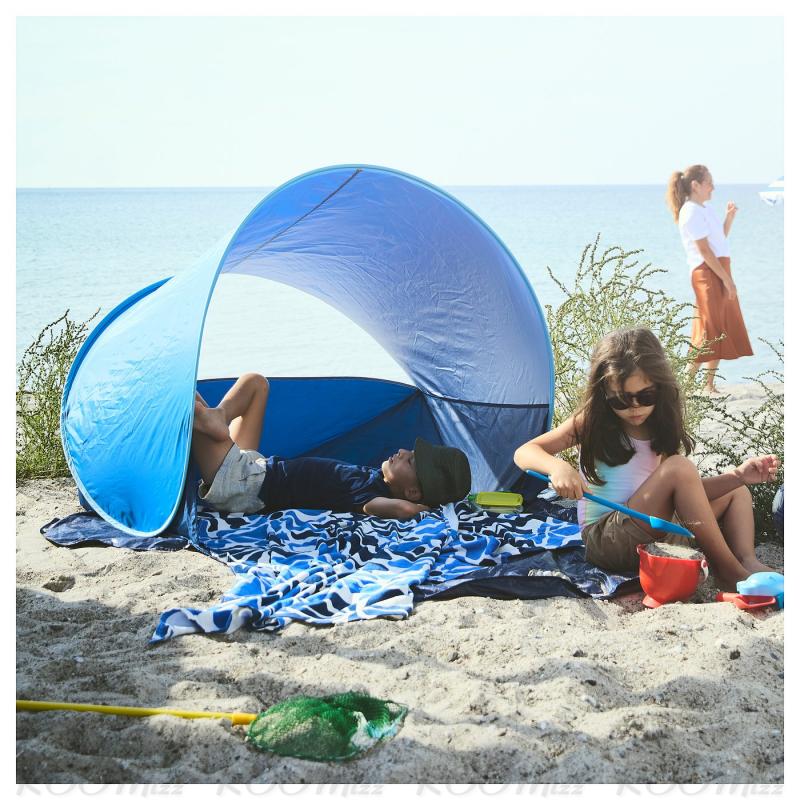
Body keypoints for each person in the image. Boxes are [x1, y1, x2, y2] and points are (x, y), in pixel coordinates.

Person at [513, 328, 779, 591]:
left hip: (657, 529)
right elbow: (524, 452)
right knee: (679, 468)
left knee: (736, 490)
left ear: (660, 388)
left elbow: (687, 492)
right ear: (604, 394)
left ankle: (746, 560)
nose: (635, 407)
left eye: (645, 396)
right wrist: (558, 467)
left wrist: (739, 476)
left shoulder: (659, 426)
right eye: (621, 400)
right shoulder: (592, 422)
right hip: (608, 539)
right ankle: (729, 571)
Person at [191, 372, 471, 520]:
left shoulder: (367, 496)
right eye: (410, 451)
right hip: (256, 467)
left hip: (244, 486)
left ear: (412, 492)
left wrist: (426, 510)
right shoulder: (373, 478)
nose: (403, 452)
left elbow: (403, 510)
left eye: (410, 461)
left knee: (186, 404)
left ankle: (213, 421)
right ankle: (219, 418)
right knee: (256, 383)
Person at [666, 164, 753, 394]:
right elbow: (704, 251)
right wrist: (727, 280)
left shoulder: (705, 209)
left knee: (718, 327)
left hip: (719, 268)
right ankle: (684, 385)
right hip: (706, 272)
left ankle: (708, 384)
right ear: (695, 185)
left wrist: (729, 218)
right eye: (709, 183)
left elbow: (718, 240)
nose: (713, 187)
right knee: (708, 329)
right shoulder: (690, 211)